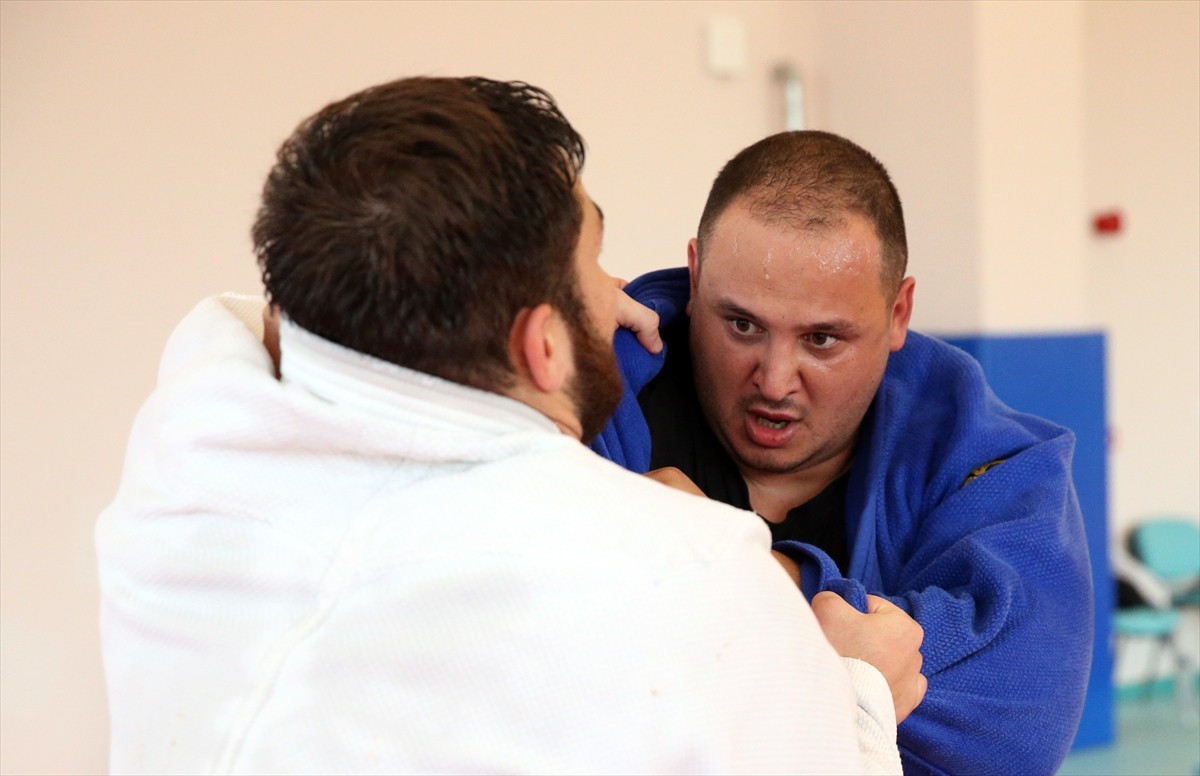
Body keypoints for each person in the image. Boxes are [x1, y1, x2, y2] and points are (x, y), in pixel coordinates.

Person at [95, 78, 921, 774]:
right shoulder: (691, 569)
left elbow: (271, 314)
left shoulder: (193, 434)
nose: (623, 296)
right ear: (541, 344)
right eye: (593, 267)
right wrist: (861, 687)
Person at [591, 130, 1094, 776]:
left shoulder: (996, 464)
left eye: (823, 340)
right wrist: (858, 672)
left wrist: (727, 564)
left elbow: (1012, 729)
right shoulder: (595, 389)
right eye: (741, 325)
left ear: (898, 313)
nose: (774, 380)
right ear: (695, 277)